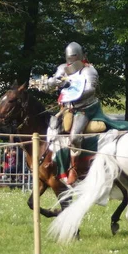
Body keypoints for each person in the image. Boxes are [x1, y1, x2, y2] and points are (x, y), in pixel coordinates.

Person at [47, 42, 100, 185]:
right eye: (69, 59)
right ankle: (52, 162)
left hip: (84, 108)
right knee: (51, 130)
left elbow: (90, 89)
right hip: (66, 108)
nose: (71, 61)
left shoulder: (88, 70)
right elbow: (50, 85)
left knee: (75, 136)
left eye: (73, 58)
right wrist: (55, 82)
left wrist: (72, 88)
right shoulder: (62, 68)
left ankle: (73, 169)